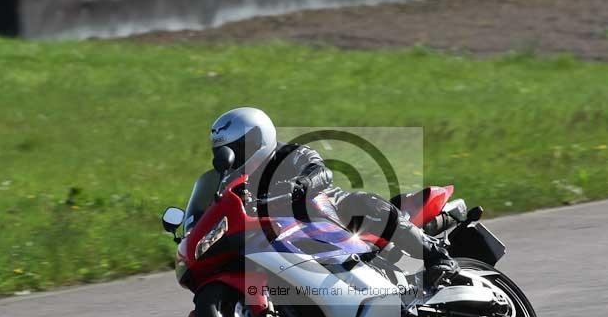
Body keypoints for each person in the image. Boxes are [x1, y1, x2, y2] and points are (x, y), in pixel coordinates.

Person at [188, 106, 459, 287]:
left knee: (367, 202)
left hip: (332, 214)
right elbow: (220, 207)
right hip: (285, 238)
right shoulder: (234, 182)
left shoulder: (290, 155)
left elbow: (320, 172)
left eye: (240, 146)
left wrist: (301, 184)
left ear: (259, 139)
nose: (236, 155)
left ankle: (437, 256)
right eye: (228, 151)